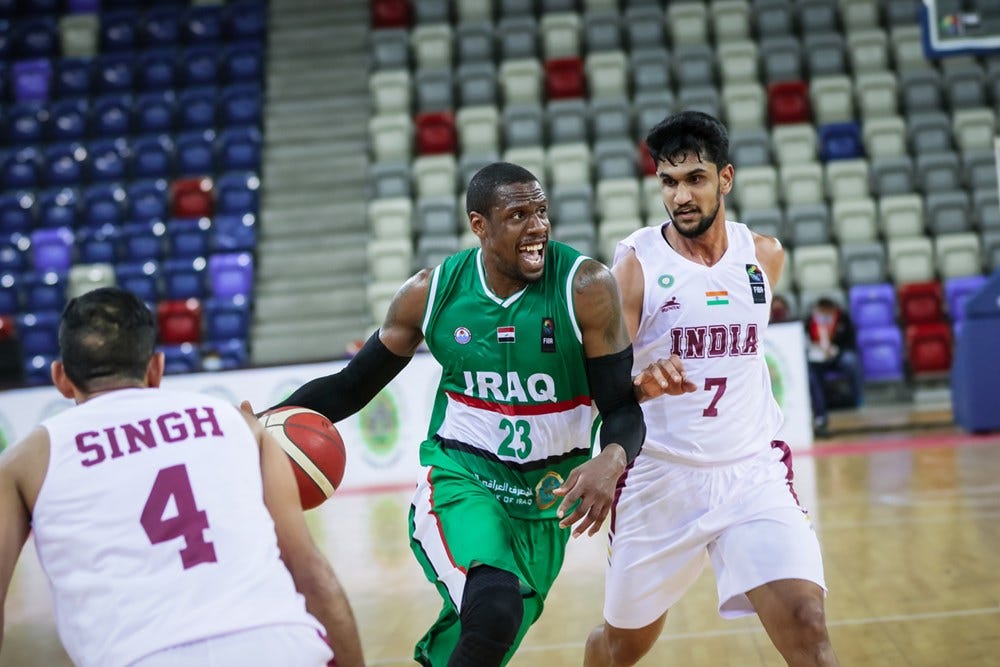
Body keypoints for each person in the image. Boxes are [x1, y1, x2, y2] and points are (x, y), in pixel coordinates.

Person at [268, 161, 646, 667]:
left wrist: (611, 459)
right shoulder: (433, 292)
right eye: (518, 216)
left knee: (479, 638)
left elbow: (621, 407)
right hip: (461, 479)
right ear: (479, 225)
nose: (537, 228)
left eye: (541, 212)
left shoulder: (586, 287)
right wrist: (250, 426)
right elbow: (350, 387)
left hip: (543, 501)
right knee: (495, 607)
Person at [583, 111, 839, 667]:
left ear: (725, 178)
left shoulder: (764, 256)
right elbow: (602, 389)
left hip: (752, 472)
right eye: (668, 183)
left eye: (694, 178)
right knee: (621, 646)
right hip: (662, 477)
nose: (680, 196)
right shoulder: (633, 267)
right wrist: (642, 385)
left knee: (807, 621)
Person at [0, 287, 365, 667]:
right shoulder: (240, 425)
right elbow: (311, 573)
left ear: (60, 377)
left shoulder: (26, 461)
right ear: (156, 368)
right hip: (282, 647)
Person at [805, 297, 863, 437]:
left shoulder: (843, 319)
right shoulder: (809, 321)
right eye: (821, 310)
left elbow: (851, 343)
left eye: (827, 310)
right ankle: (820, 414)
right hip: (818, 359)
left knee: (851, 361)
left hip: (838, 355)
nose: (824, 313)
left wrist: (836, 350)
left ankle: (857, 399)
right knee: (811, 375)